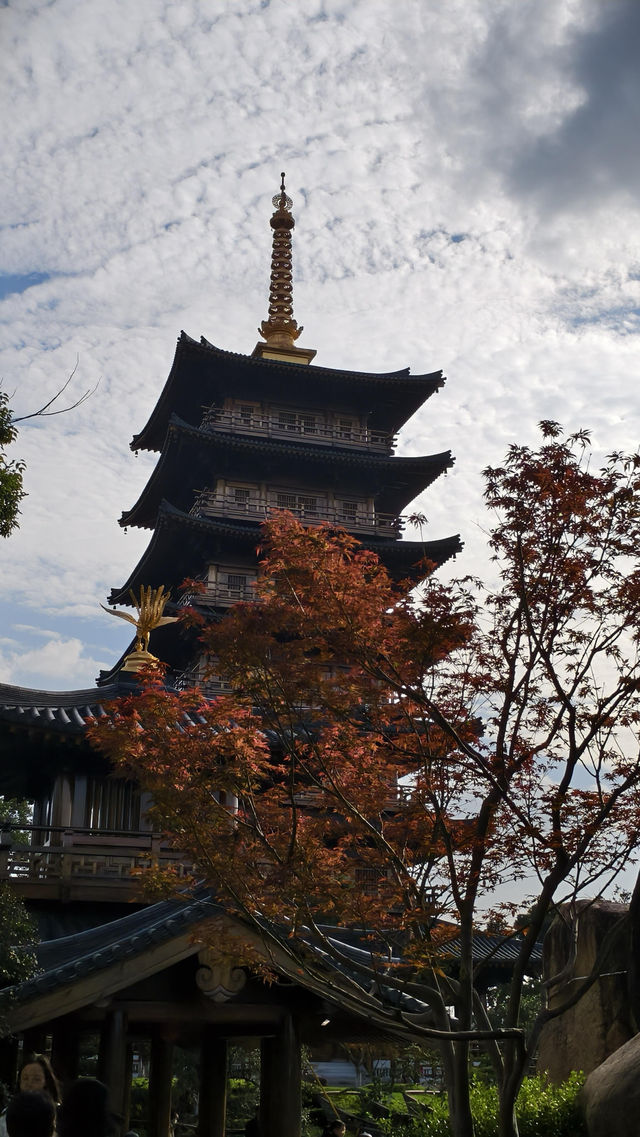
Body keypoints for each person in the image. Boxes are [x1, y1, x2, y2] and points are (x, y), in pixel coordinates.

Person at [0, 1057, 60, 1137]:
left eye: (36, 1079)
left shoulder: (60, 1115)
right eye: (25, 1078)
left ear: (47, 1082)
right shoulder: (7, 1114)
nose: (29, 1083)